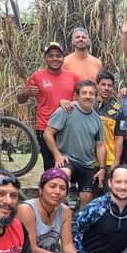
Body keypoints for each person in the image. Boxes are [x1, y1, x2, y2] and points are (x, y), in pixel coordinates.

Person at [43, 80, 106, 209]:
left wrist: (102, 168)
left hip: (87, 164)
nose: (88, 96)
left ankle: (79, 220)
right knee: (62, 176)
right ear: (77, 95)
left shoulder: (97, 119)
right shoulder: (66, 110)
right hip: (68, 159)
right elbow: (47, 133)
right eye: (84, 93)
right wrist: (57, 155)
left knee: (86, 197)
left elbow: (100, 145)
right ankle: (59, 214)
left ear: (96, 97)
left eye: (91, 94)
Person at [17, 42, 79, 171]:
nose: (55, 59)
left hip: (67, 127)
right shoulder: (37, 77)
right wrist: (27, 93)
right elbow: (20, 100)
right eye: (51, 56)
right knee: (50, 165)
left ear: (63, 58)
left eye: (58, 56)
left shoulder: (72, 77)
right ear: (45, 58)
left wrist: (69, 103)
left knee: (69, 164)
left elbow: (82, 99)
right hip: (45, 127)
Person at [95, 71, 126, 191]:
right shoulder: (88, 104)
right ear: (97, 85)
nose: (106, 88)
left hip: (110, 160)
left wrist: (116, 161)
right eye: (103, 85)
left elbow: (119, 138)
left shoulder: (118, 109)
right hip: (89, 160)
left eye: (109, 85)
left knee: (110, 194)